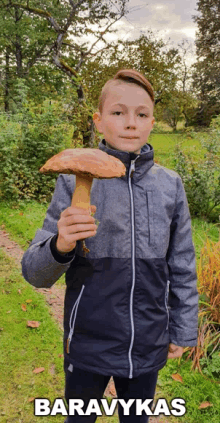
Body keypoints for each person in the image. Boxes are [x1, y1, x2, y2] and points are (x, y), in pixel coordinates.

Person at [22, 69, 198, 423]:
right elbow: (35, 274)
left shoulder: (170, 186)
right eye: (118, 113)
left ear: (152, 123)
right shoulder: (72, 180)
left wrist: (183, 328)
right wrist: (61, 244)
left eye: (142, 114)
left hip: (148, 341)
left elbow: (182, 263)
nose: (130, 123)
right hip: (87, 342)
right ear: (99, 121)